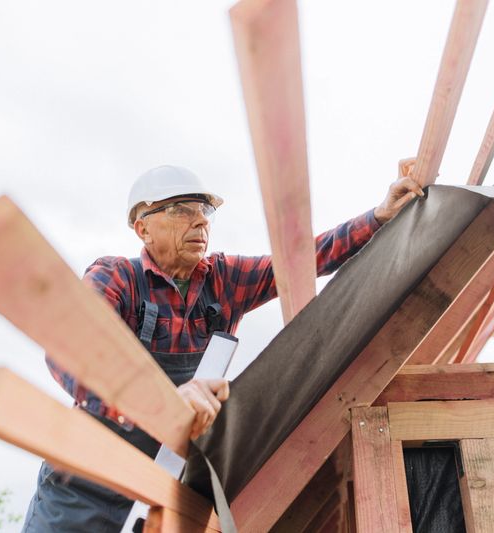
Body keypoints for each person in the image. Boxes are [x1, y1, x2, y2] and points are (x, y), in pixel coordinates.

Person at [22, 165, 424, 532]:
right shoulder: (117, 277)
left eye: (203, 211)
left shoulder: (224, 280)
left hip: (166, 478)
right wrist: (154, 402)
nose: (200, 220)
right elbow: (69, 350)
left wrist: (377, 218)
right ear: (143, 228)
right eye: (181, 209)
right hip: (86, 477)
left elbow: (305, 258)